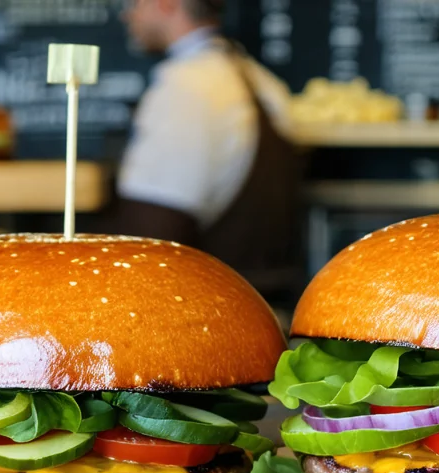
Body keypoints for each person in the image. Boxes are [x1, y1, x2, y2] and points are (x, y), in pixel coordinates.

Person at [113, 0, 300, 293]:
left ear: (166, 4)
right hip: (261, 296)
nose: (127, 14)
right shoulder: (263, 80)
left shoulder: (187, 86)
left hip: (208, 299)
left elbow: (153, 227)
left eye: (134, 3)